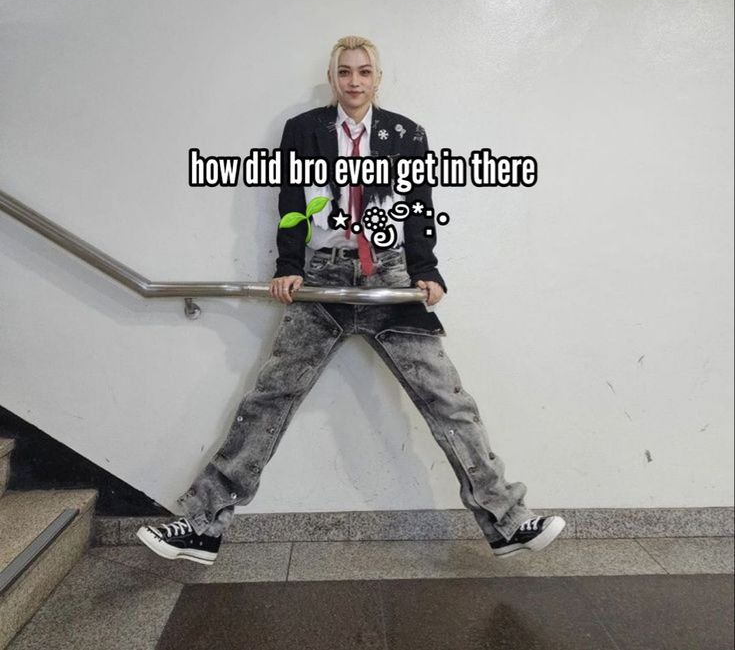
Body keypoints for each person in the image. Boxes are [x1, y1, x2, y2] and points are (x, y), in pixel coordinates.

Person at [137, 35, 565, 565]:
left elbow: (418, 204)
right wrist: (288, 266)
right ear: (333, 78)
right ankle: (203, 527)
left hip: (389, 277)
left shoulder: (407, 134)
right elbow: (290, 198)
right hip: (322, 282)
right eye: (345, 72)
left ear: (378, 78)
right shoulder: (303, 131)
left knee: (448, 400)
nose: (355, 81)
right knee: (269, 399)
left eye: (365, 72)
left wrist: (426, 270)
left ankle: (508, 524)